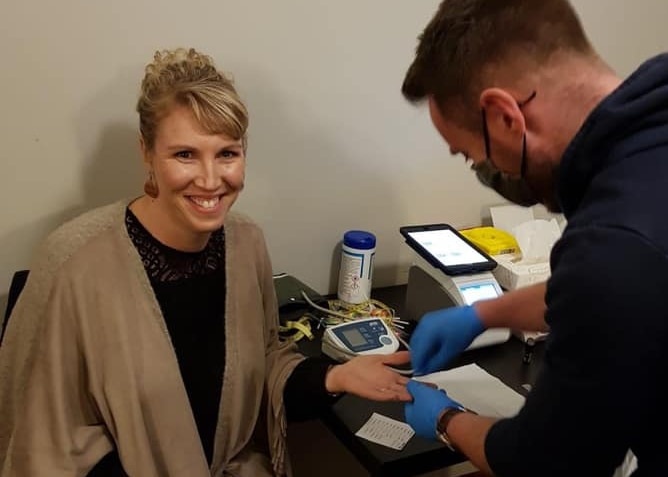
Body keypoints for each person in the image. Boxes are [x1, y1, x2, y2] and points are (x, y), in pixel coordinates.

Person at [0, 47, 411, 477]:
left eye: (227, 154)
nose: (211, 180)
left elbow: (262, 367)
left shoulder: (246, 242)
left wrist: (334, 379)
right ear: (146, 153)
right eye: (185, 155)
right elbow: (42, 439)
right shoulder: (73, 262)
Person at [400, 1, 668, 476]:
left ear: (506, 116)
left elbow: (542, 464)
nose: (486, 173)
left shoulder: (617, 242)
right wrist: (483, 314)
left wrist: (445, 419)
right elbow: (651, 290)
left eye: (471, 156)